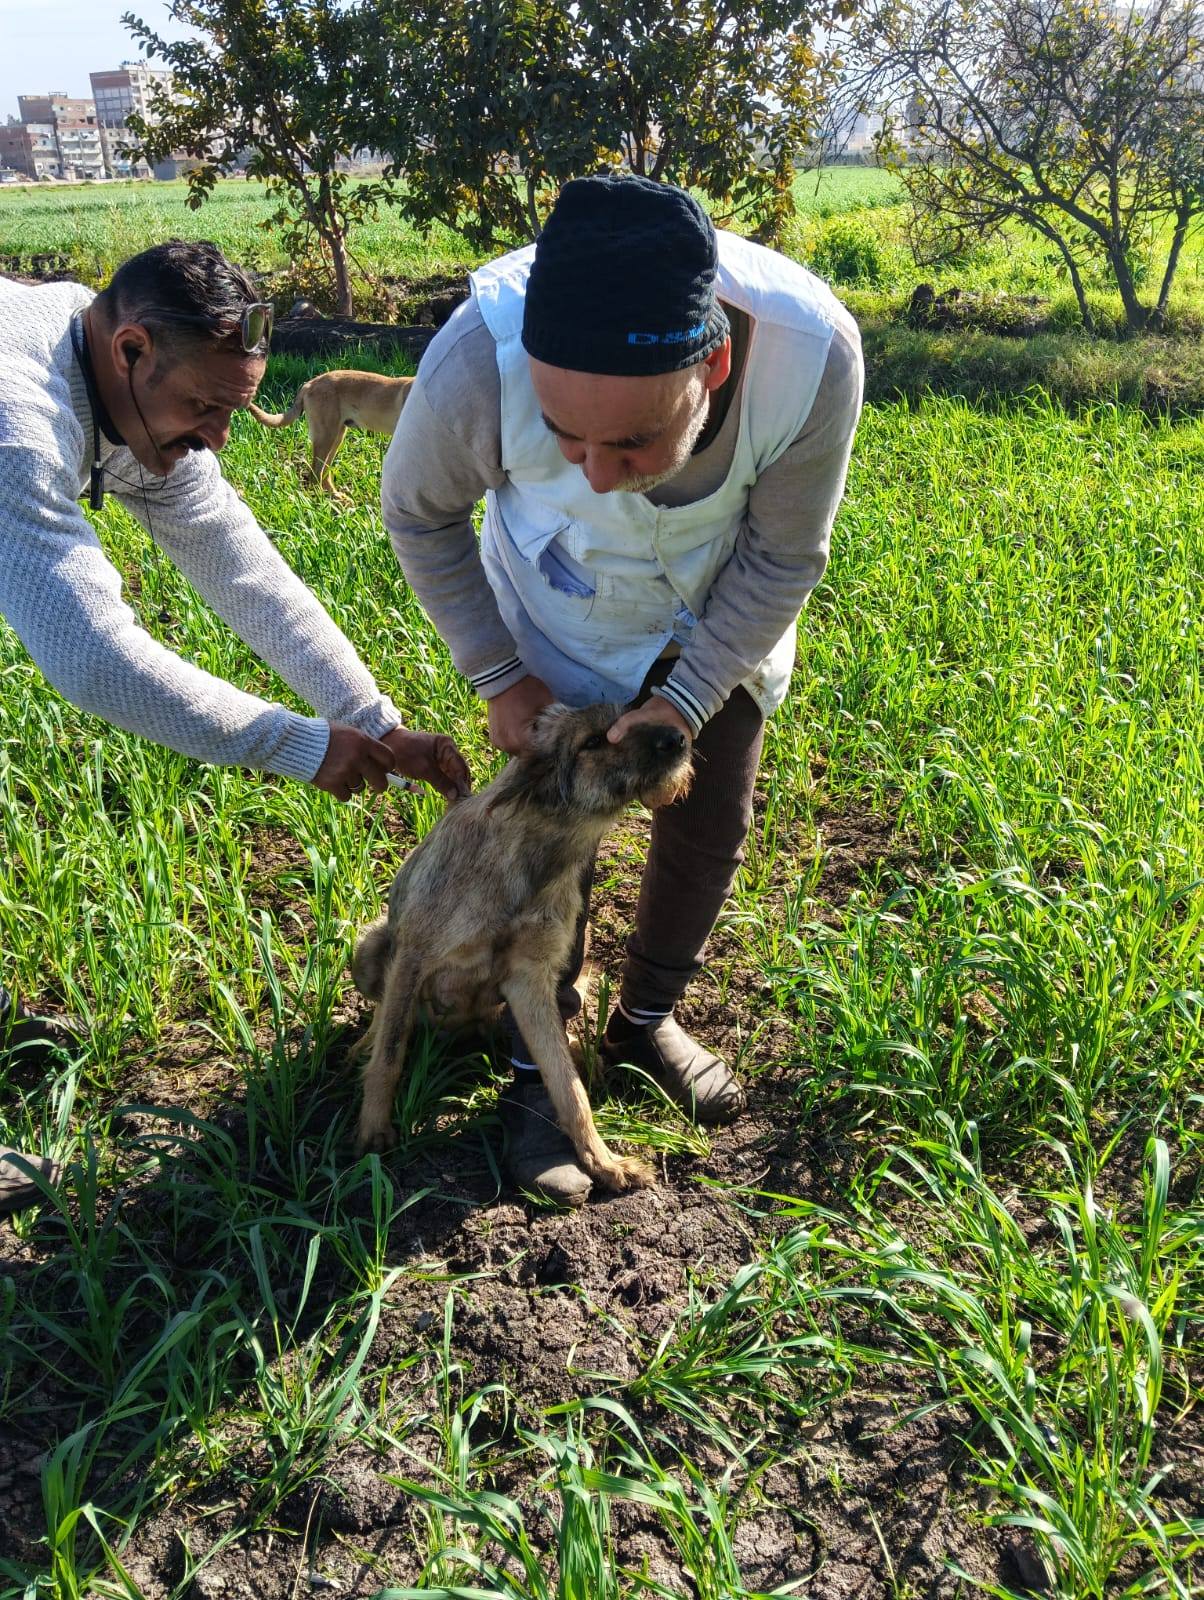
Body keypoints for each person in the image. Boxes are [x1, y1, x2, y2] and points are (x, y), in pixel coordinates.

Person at [382, 175, 864, 1203]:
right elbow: (417, 515)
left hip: (718, 609)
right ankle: (533, 1073)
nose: (596, 472)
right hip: (559, 608)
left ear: (716, 365)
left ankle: (643, 1018)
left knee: (712, 813)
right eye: (565, 435)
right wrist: (500, 674)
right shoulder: (478, 355)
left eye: (633, 442)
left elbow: (781, 558)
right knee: (547, 850)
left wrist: (685, 702)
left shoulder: (810, 359)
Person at [0, 239, 470, 1215]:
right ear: (130, 348)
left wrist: (372, 721)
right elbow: (90, 657)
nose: (218, 435)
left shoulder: (124, 382)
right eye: (205, 409)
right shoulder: (21, 420)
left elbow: (243, 570)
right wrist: (301, 746)